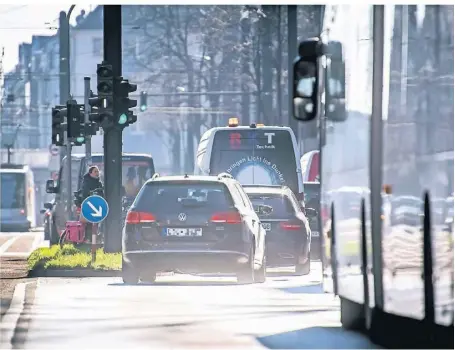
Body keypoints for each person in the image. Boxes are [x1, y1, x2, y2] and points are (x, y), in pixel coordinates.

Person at [80, 165, 104, 242]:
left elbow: (102, 193)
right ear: (90, 173)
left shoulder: (99, 182)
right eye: (95, 171)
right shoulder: (86, 182)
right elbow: (85, 193)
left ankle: (96, 239)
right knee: (89, 223)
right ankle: (88, 239)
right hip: (89, 205)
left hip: (97, 205)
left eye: (98, 171)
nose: (97, 173)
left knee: (97, 223)